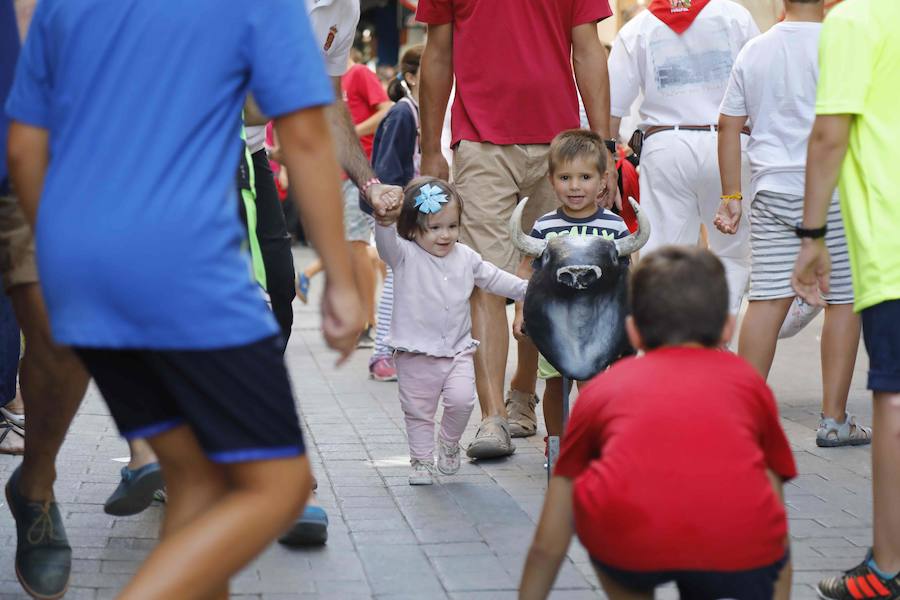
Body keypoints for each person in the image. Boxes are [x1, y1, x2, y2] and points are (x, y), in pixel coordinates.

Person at [6, 1, 365, 598]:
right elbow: (303, 135)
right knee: (276, 487)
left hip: (80, 262)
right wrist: (345, 285)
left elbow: (24, 148)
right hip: (183, 265)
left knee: (196, 479)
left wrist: (73, 255)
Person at [520, 246, 795, 600]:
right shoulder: (750, 385)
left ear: (632, 332)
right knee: (762, 545)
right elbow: (772, 495)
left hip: (632, 546)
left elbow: (550, 536)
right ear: (728, 328)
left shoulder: (602, 391)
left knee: (615, 537)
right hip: (737, 549)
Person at [417, 0, 616, 459]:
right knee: (485, 280)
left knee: (547, 279)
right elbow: (438, 51)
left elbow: (587, 50)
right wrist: (430, 146)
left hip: (560, 151)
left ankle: (523, 393)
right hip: (482, 142)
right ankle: (493, 420)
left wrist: (601, 148)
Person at [714, 0, 870, 449]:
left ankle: (743, 418)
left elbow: (729, 125)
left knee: (766, 299)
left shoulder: (756, 49)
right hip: (837, 189)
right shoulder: (844, 45)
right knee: (843, 301)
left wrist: (731, 196)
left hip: (772, 190)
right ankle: (834, 420)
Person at [791, 0, 900, 596]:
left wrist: (811, 237)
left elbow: (831, 133)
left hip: (892, 242)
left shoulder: (857, 20)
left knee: (892, 400)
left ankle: (888, 567)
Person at [608, 0, 759, 313]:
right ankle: (718, 340)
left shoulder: (639, 27)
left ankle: (664, 347)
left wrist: (608, 161)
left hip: (666, 145)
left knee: (663, 254)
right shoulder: (735, 17)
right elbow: (759, 84)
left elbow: (614, 105)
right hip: (730, 144)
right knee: (731, 253)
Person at [374, 177, 527, 485]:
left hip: (457, 350)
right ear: (413, 229)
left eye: (452, 226)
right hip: (415, 353)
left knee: (462, 400)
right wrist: (384, 220)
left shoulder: (466, 257)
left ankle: (448, 441)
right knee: (419, 412)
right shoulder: (404, 255)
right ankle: (420, 461)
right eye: (434, 227)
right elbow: (384, 242)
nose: (445, 235)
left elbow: (494, 279)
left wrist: (529, 290)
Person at [512, 130, 629, 453]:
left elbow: (627, 275)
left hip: (599, 323)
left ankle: (591, 438)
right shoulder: (544, 226)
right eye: (565, 177)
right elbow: (526, 270)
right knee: (554, 383)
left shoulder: (616, 227)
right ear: (551, 180)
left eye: (585, 177)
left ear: (604, 180)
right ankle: (557, 442)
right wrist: (521, 311)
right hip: (555, 321)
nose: (575, 186)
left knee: (592, 384)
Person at [298, 52, 392, 348]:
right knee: (351, 246)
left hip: (360, 174)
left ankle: (369, 321)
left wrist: (347, 134)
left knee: (357, 245)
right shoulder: (321, 79)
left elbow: (386, 109)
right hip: (333, 175)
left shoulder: (360, 73)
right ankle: (367, 318)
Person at [368, 44, 425, 382]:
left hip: (416, 212)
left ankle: (398, 351)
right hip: (397, 211)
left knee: (406, 281)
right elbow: (386, 168)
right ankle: (380, 355)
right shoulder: (403, 113)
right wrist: (393, 208)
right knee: (395, 279)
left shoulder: (423, 110)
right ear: (411, 77)